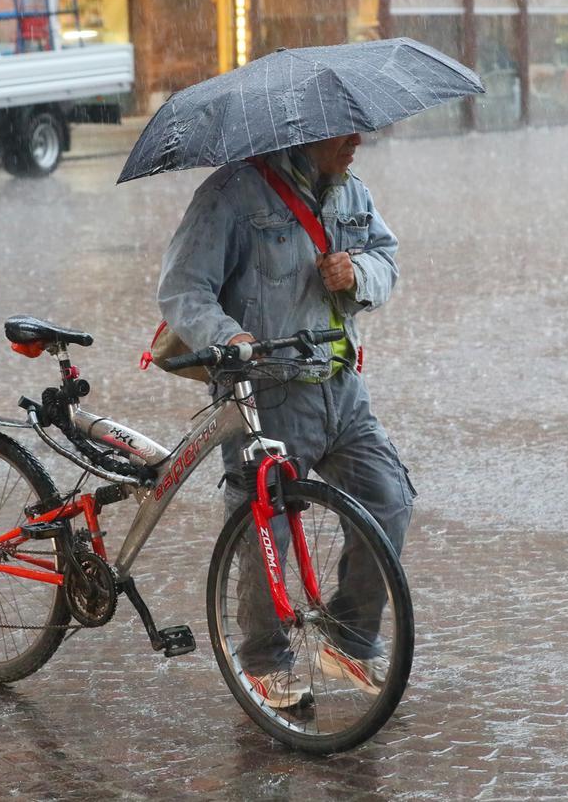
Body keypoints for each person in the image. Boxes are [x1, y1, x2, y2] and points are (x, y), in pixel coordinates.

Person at [158, 133, 416, 708]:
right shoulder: (230, 194)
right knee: (263, 528)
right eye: (343, 131)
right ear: (307, 132)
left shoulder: (351, 191)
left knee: (389, 500)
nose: (357, 140)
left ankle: (349, 640)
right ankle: (264, 661)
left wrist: (358, 273)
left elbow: (386, 258)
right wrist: (229, 338)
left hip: (341, 387)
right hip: (266, 391)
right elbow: (183, 290)